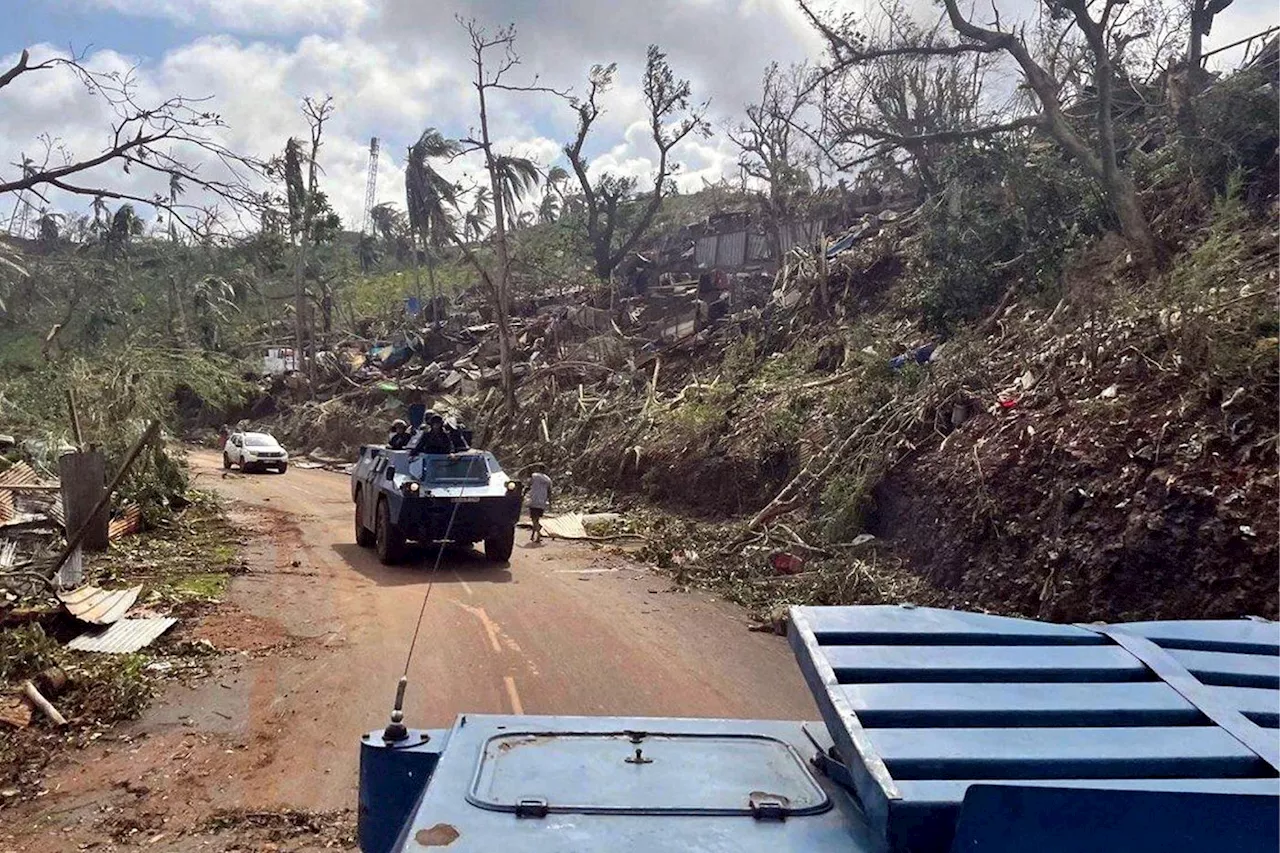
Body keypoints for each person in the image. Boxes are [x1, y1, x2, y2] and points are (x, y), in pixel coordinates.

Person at [527, 465, 552, 543]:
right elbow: (549, 492)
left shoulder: (534, 476)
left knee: (534, 519)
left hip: (534, 500)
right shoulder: (548, 479)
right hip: (542, 502)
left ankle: (538, 533)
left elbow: (529, 484)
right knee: (536, 519)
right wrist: (550, 503)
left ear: (539, 469)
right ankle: (533, 535)